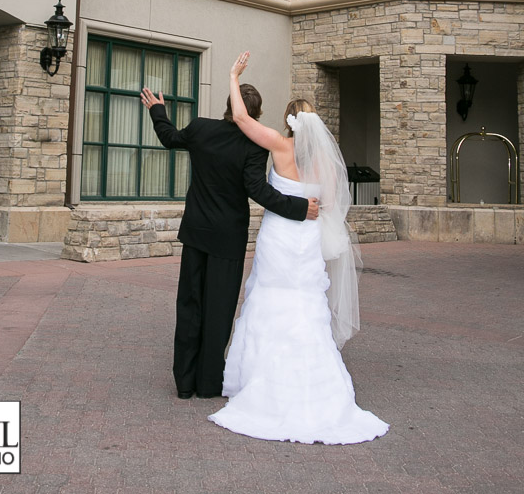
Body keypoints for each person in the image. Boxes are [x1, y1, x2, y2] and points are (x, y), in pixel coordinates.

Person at [208, 52, 389, 445]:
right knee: (307, 307)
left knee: (268, 299)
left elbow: (240, 117)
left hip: (278, 238)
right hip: (306, 242)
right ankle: (317, 386)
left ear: (288, 121)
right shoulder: (324, 164)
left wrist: (233, 76)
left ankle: (257, 379)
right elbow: (331, 204)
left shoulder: (279, 146)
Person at [140, 83, 319, 401]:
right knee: (219, 310)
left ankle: (184, 383)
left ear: (229, 105)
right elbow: (259, 191)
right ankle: (209, 383)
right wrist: (300, 208)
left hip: (196, 233)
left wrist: (158, 111)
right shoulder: (255, 145)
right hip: (228, 239)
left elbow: (169, 138)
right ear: (257, 114)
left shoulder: (200, 129)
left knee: (190, 305)